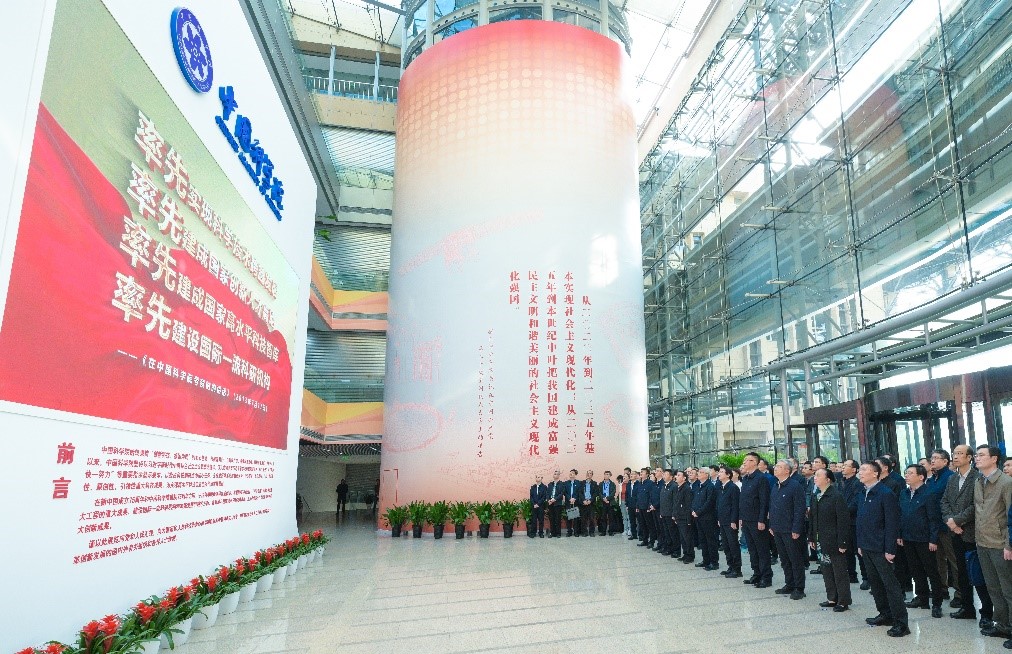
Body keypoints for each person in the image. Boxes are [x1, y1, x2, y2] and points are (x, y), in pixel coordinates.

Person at [942, 443, 994, 627]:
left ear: (969, 457)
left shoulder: (977, 478)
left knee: (978, 574)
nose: (955, 456)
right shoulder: (952, 478)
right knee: (961, 573)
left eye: (960, 453)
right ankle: (967, 608)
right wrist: (950, 521)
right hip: (955, 533)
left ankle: (986, 612)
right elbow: (944, 502)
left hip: (971, 533)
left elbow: (975, 505)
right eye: (954, 453)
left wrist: (957, 521)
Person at [857, 460, 909, 637]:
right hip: (867, 546)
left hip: (881, 548)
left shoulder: (885, 494)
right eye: (860, 469)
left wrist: (890, 549)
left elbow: (892, 523)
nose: (860, 472)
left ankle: (901, 623)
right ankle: (885, 614)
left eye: (864, 469)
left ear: (875, 473)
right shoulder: (863, 492)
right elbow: (861, 521)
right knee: (876, 583)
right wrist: (860, 544)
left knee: (890, 585)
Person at [973, 444, 1012, 643]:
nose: (977, 458)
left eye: (981, 455)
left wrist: (1009, 545)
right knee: (993, 587)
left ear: (994, 458)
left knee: (1008, 589)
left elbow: (1010, 515)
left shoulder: (1006, 482)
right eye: (976, 455)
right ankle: (1003, 625)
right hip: (982, 542)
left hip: (1000, 544)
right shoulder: (978, 481)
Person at [899, 464, 944, 618]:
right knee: (915, 570)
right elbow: (900, 515)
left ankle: (937, 603)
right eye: (906, 473)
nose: (906, 475)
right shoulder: (904, 493)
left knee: (932, 571)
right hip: (908, 537)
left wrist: (933, 539)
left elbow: (934, 519)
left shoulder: (929, 493)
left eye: (910, 473)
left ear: (921, 477)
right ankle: (922, 598)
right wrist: (900, 534)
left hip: (925, 539)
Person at [809, 468, 851, 611]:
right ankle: (832, 598)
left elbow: (843, 521)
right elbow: (812, 518)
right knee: (826, 569)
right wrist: (811, 537)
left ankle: (843, 601)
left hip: (834, 539)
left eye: (818, 475)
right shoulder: (816, 496)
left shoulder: (836, 496)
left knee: (839, 571)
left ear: (828, 479)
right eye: (815, 475)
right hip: (821, 540)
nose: (815, 477)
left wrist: (843, 542)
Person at [770, 460, 807, 600]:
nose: (775, 468)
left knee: (795, 559)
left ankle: (799, 587)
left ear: (787, 470)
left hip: (790, 529)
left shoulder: (795, 486)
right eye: (776, 466)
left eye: (779, 467)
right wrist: (772, 525)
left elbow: (799, 509)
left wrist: (796, 528)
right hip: (777, 528)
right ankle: (789, 583)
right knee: (784, 559)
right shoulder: (776, 485)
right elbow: (772, 507)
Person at [927, 449, 959, 608]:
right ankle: (942, 588)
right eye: (931, 458)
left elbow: (951, 502)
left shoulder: (950, 477)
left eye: (936, 458)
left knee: (953, 560)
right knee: (938, 560)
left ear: (945, 461)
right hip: (934, 526)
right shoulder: (932, 479)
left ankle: (960, 593)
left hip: (948, 525)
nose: (932, 460)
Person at [740, 452, 772, 588]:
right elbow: (743, 500)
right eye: (744, 460)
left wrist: (762, 520)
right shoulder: (746, 478)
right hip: (746, 519)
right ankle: (756, 573)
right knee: (752, 549)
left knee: (761, 549)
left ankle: (766, 577)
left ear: (755, 462)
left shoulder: (761, 478)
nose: (744, 462)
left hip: (757, 520)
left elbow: (764, 501)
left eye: (748, 460)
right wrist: (741, 517)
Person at [840, 459, 866, 586]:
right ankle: (851, 574)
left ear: (854, 470)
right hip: (844, 521)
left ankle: (866, 578)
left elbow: (856, 502)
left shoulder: (857, 483)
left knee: (858, 550)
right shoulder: (841, 482)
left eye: (846, 466)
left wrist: (843, 510)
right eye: (843, 465)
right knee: (847, 549)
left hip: (854, 521)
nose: (843, 467)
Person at [692, 466, 720, 571]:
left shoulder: (710, 487)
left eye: (701, 472)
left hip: (708, 518)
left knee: (710, 540)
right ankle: (706, 560)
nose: (698, 474)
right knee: (702, 540)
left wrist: (698, 512)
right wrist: (693, 510)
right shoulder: (699, 486)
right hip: (698, 517)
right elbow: (695, 500)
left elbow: (709, 502)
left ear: (706, 475)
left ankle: (714, 562)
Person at [717, 465, 742, 578]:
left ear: (728, 475)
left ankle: (737, 569)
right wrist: (719, 519)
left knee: (733, 545)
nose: (719, 474)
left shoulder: (733, 487)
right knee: (726, 545)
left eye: (722, 472)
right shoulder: (721, 487)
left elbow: (735, 506)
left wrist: (733, 520)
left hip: (730, 521)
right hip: (723, 520)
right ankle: (730, 566)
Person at [674, 469, 696, 564]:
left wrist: (688, 519)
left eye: (679, 475)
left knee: (687, 537)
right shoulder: (678, 488)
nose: (676, 476)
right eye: (676, 475)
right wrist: (675, 515)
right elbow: (676, 503)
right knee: (682, 537)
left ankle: (690, 555)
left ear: (684, 478)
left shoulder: (686, 488)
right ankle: (685, 553)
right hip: (679, 516)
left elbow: (688, 505)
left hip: (685, 517)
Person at [657, 468, 677, 556]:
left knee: (673, 533)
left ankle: (676, 550)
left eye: (666, 474)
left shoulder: (674, 486)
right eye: (663, 474)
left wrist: (674, 514)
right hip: (664, 513)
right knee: (666, 532)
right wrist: (661, 512)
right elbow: (662, 500)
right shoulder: (664, 486)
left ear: (671, 477)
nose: (664, 476)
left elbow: (675, 501)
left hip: (670, 514)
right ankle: (669, 548)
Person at [636, 468, 654, 547]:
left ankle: (652, 541)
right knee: (642, 525)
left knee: (650, 525)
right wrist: (637, 506)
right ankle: (645, 540)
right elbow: (638, 495)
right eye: (641, 472)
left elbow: (651, 495)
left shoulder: (650, 483)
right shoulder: (639, 483)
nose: (641, 473)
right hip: (640, 507)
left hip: (647, 508)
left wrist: (649, 506)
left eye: (643, 472)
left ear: (647, 474)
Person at [579, 470, 599, 537]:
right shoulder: (582, 483)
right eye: (587, 473)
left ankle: (591, 532)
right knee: (583, 518)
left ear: (592, 475)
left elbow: (595, 493)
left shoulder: (594, 483)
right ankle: (584, 532)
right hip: (583, 503)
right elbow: (580, 493)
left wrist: (590, 500)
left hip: (591, 503)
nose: (588, 474)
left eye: (590, 473)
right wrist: (583, 500)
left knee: (591, 518)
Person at [546, 470, 564, 538]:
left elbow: (561, 494)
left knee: (558, 519)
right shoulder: (550, 484)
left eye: (557, 474)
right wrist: (548, 500)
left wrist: (555, 499)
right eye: (554, 474)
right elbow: (547, 493)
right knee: (551, 519)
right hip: (550, 504)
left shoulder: (561, 484)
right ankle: (552, 533)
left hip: (558, 504)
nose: (555, 475)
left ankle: (558, 533)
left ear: (559, 475)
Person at [600, 470, 618, 535]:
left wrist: (607, 498)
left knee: (611, 518)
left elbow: (613, 492)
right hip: (603, 502)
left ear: (610, 476)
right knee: (603, 517)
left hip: (610, 502)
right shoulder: (601, 484)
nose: (606, 475)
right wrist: (603, 498)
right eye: (605, 474)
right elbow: (599, 492)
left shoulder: (613, 484)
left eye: (608, 474)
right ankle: (603, 532)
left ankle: (611, 531)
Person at [565, 469, 581, 537]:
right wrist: (569, 498)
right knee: (569, 517)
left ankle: (576, 532)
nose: (571, 474)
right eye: (570, 472)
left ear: (575, 475)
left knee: (575, 518)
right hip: (568, 502)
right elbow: (565, 492)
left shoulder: (578, 483)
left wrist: (574, 498)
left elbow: (579, 492)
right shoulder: (566, 483)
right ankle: (569, 531)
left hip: (575, 502)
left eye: (573, 473)